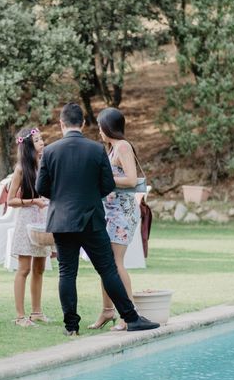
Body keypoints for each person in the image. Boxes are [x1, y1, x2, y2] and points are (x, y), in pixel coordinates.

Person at [35, 102, 159, 335]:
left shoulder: (50, 151)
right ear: (83, 123)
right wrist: (89, 197)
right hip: (92, 218)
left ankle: (71, 327)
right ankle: (131, 319)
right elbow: (106, 184)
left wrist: (61, 198)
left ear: (61, 123)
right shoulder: (96, 149)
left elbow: (41, 187)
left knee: (67, 273)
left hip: (61, 220)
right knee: (108, 269)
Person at [88, 107, 142, 331]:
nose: (99, 131)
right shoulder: (112, 148)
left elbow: (131, 179)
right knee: (105, 264)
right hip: (109, 213)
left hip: (122, 214)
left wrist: (103, 176)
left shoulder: (123, 146)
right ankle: (107, 310)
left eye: (100, 126)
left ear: (108, 127)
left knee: (116, 264)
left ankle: (127, 315)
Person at [7, 127, 51, 327]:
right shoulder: (20, 169)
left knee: (40, 268)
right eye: (37, 140)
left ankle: (36, 312)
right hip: (27, 220)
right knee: (24, 269)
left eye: (41, 139)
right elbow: (10, 200)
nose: (41, 142)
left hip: (43, 219)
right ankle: (19, 316)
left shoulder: (44, 165)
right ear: (27, 146)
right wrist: (33, 201)